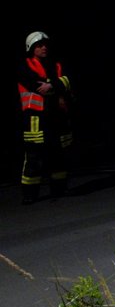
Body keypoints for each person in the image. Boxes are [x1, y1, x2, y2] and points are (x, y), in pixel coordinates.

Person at [17, 32, 74, 204]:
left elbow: (69, 80)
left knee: (58, 154)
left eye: (45, 45)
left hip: (56, 117)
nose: (44, 48)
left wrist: (52, 84)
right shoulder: (24, 66)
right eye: (39, 45)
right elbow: (37, 87)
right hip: (35, 119)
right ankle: (29, 194)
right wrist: (57, 85)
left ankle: (59, 189)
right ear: (31, 48)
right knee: (34, 157)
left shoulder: (56, 65)